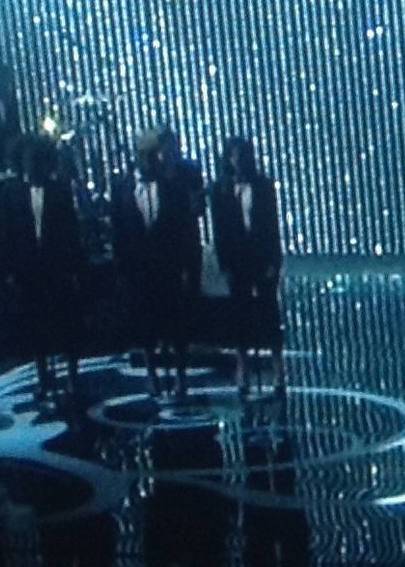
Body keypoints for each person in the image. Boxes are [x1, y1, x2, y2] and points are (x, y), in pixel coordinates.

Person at [0, 136, 88, 402]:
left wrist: (74, 268)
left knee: (66, 326)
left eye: (36, 162)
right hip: (28, 270)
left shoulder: (60, 191)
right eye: (28, 162)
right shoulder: (11, 194)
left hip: (57, 268)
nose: (32, 167)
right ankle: (43, 377)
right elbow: (6, 234)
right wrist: (9, 270)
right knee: (36, 327)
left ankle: (71, 376)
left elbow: (71, 233)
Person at [114, 128, 205, 405]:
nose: (150, 161)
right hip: (140, 270)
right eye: (145, 156)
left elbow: (186, 229)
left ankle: (179, 375)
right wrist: (122, 271)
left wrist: (190, 267)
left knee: (176, 324)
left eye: (154, 155)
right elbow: (118, 232)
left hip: (169, 266)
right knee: (146, 325)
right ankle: (152, 373)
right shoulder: (123, 188)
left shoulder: (174, 187)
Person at [212, 135, 285, 398]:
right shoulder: (219, 189)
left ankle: (278, 369)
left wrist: (274, 262)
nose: (239, 161)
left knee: (269, 313)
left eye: (243, 155)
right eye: (234, 156)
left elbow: (272, 227)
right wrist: (225, 265)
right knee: (239, 316)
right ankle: (242, 367)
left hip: (262, 259)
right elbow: (219, 231)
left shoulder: (264, 186)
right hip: (237, 261)